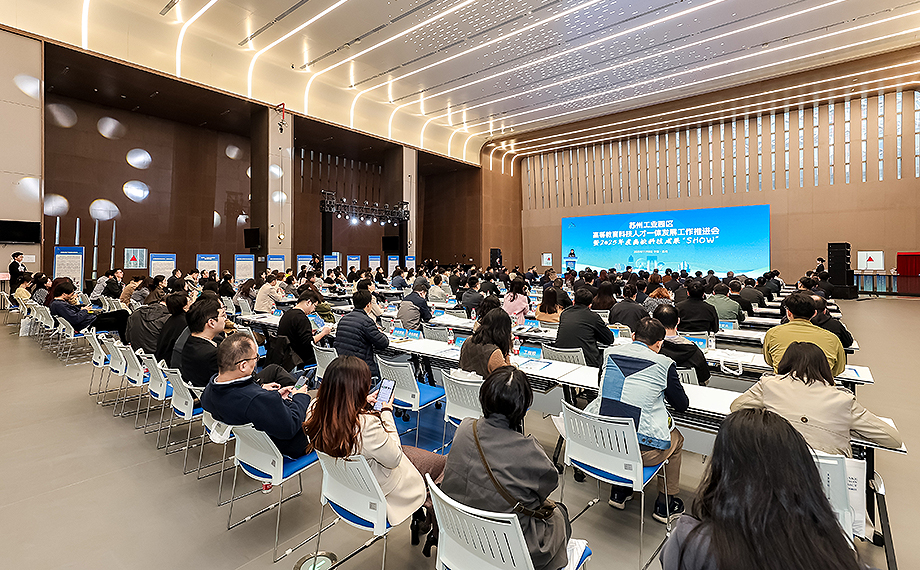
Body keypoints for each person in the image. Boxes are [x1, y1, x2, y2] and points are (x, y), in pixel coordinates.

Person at [659, 408, 869, 570]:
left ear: (722, 469)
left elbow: (737, 405)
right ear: (804, 471)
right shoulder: (837, 554)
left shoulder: (690, 542)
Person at [304, 355, 446, 543]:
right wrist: (386, 412)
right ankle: (435, 524)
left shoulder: (314, 409)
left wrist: (361, 402)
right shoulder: (365, 425)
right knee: (442, 464)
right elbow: (395, 457)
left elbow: (341, 414)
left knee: (418, 459)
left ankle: (423, 516)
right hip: (380, 492)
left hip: (344, 487)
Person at [441, 367, 571, 570]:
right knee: (559, 513)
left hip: (460, 532)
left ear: (483, 398)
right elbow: (547, 486)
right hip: (507, 550)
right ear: (523, 408)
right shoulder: (529, 451)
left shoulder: (465, 428)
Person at [588, 317, 688, 523]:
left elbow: (604, 387)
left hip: (604, 442)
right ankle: (665, 505)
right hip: (639, 451)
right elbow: (681, 405)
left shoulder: (609, 353)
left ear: (633, 336)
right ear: (659, 343)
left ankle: (619, 492)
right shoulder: (664, 364)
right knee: (677, 439)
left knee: (619, 418)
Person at [731, 342, 900, 456]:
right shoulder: (843, 400)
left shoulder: (769, 385)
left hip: (775, 470)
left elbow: (736, 407)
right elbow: (893, 439)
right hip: (827, 484)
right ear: (824, 366)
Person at [200, 333, 311, 458]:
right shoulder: (257, 399)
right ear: (243, 365)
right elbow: (290, 427)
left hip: (250, 448)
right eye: (255, 358)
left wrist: (266, 393)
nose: (256, 362)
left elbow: (248, 401)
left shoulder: (210, 389)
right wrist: (299, 397)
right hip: (284, 449)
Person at [763, 293, 846, 376]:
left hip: (782, 382)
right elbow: (838, 370)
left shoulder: (772, 333)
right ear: (814, 313)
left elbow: (769, 361)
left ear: (788, 313)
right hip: (820, 383)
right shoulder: (832, 338)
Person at [334, 289, 389, 378]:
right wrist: (379, 331)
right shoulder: (366, 321)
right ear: (368, 305)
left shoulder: (343, 319)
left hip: (342, 365)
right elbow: (383, 343)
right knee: (384, 371)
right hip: (360, 367)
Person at [49, 282, 129, 342]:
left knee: (123, 312)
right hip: (88, 324)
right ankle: (125, 341)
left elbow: (71, 314)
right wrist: (85, 310)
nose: (72, 295)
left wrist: (81, 309)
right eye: (71, 294)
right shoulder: (60, 305)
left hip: (89, 319)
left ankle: (125, 339)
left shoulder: (57, 303)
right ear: (64, 294)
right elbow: (75, 319)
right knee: (120, 321)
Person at [654, 304, 711, 386]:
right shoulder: (694, 351)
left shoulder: (650, 348)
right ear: (678, 321)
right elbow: (705, 378)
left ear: (654, 322)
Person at [556, 289, 615, 368]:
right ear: (590, 305)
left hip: (561, 357)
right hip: (586, 361)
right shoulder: (593, 317)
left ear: (574, 301)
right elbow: (609, 339)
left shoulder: (564, 313)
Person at [277, 289, 333, 368]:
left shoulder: (287, 314)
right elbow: (308, 343)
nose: (314, 310)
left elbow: (296, 334)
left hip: (286, 355)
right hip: (299, 358)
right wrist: (323, 333)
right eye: (314, 306)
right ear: (308, 302)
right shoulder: (302, 318)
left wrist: (309, 332)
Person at [179, 296, 227, 388]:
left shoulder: (190, 341)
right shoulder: (212, 354)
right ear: (211, 323)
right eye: (222, 315)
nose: (225, 319)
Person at [459, 308, 513, 378]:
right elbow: (507, 378)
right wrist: (507, 350)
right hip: (484, 384)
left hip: (464, 383)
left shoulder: (468, 341)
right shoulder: (494, 353)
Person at [155, 292, 190, 366]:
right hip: (170, 361)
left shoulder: (170, 319)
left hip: (161, 358)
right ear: (184, 306)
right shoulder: (185, 322)